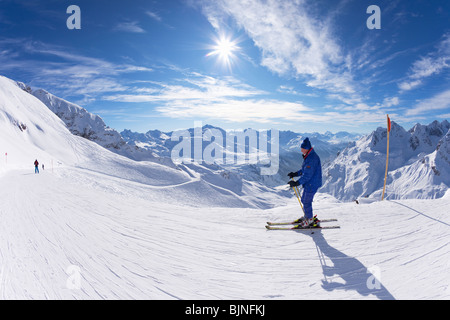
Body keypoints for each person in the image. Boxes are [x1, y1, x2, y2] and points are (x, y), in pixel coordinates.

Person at [287, 137, 322, 227]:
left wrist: (297, 183)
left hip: (312, 183)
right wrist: (295, 174)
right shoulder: (309, 156)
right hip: (310, 183)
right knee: (304, 200)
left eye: (302, 149)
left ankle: (309, 220)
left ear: (306, 148)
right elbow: (304, 170)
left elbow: (307, 175)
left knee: (306, 201)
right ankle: (307, 216)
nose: (301, 150)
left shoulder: (311, 159)